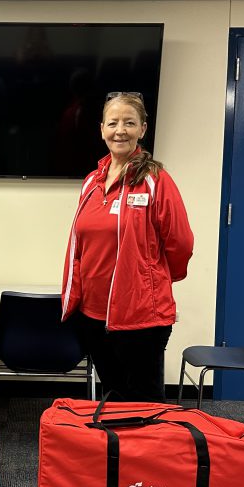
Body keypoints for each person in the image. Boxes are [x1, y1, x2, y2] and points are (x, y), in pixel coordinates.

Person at [61, 92, 194, 402]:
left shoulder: (156, 181)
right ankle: (117, 453)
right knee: (114, 399)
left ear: (142, 130)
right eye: (113, 123)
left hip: (140, 317)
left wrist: (149, 277)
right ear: (102, 129)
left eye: (129, 123)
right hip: (93, 316)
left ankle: (148, 452)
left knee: (144, 407)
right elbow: (81, 245)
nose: (120, 130)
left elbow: (181, 243)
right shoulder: (92, 182)